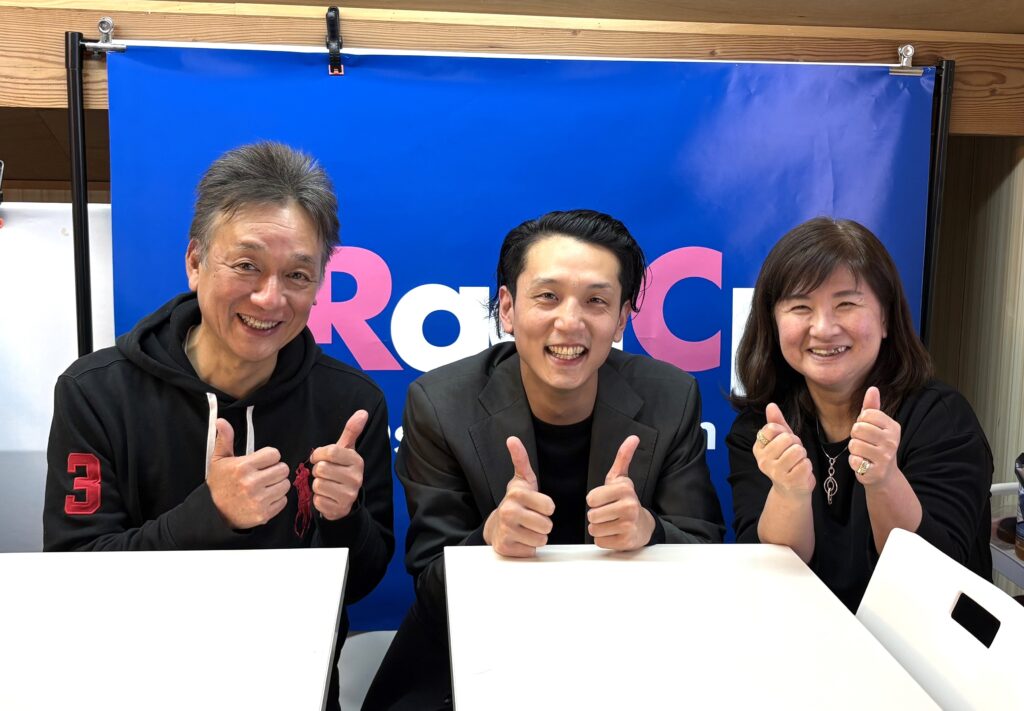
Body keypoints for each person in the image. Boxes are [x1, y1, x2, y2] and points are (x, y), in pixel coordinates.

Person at [43, 142, 394, 711]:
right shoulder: (96, 393)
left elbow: (362, 582)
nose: (270, 297)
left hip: (295, 689)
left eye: (297, 274)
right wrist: (210, 516)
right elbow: (75, 577)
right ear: (195, 261)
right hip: (131, 686)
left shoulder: (351, 404)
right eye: (246, 265)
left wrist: (344, 518)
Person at [363, 209, 724, 710]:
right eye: (547, 296)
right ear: (507, 308)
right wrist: (488, 539)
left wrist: (650, 530)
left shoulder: (671, 396)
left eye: (596, 301)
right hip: (479, 649)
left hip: (627, 647)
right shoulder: (441, 404)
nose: (569, 322)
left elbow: (706, 556)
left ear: (621, 318)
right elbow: (430, 581)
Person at [727, 216, 992, 611]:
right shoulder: (761, 428)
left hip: (918, 640)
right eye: (800, 307)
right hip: (800, 632)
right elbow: (772, 575)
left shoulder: (941, 419)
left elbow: (936, 582)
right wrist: (789, 493)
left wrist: (884, 479)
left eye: (846, 304)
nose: (823, 328)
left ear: (885, 318)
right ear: (772, 322)